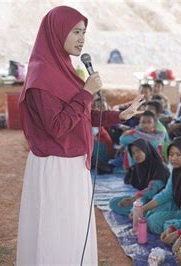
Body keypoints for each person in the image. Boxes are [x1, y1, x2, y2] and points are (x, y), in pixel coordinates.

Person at [16, 6, 144, 265]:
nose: (82, 38)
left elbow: (81, 117)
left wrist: (118, 116)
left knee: (72, 230)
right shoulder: (42, 76)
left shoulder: (64, 69)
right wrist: (86, 92)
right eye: (75, 31)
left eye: (84, 32)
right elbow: (57, 127)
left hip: (73, 164)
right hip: (55, 167)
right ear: (57, 32)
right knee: (57, 232)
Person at [139, 137, 181, 234]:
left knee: (153, 222)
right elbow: (167, 193)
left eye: (178, 155)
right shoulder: (176, 169)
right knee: (148, 212)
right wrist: (143, 208)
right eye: (171, 155)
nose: (174, 158)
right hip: (176, 204)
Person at [109, 139, 169, 216]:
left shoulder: (160, 167)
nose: (136, 155)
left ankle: (142, 213)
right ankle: (138, 213)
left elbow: (152, 189)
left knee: (140, 205)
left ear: (145, 149)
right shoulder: (138, 167)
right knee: (113, 202)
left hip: (158, 201)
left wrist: (132, 199)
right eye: (133, 153)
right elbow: (128, 180)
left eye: (138, 151)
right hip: (143, 198)